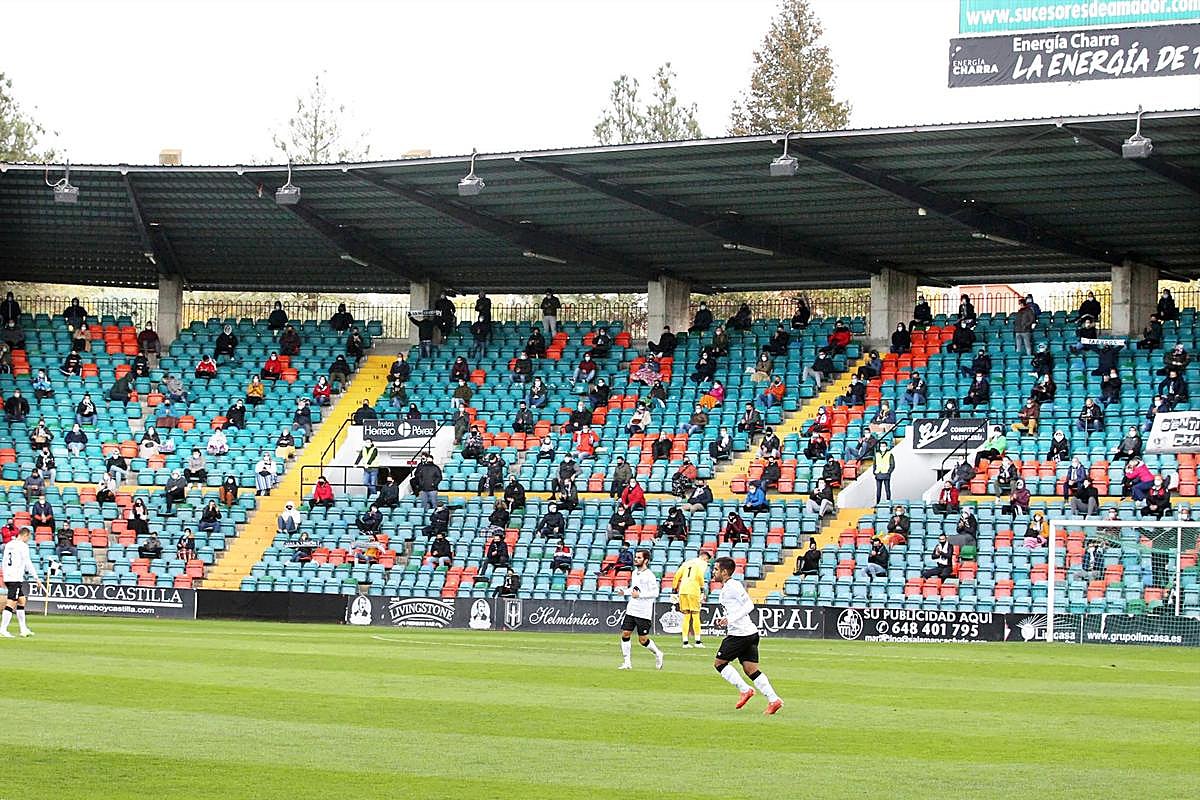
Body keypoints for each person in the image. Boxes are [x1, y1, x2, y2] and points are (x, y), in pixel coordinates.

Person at [710, 556, 783, 713]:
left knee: (719, 663)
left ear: (724, 572)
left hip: (740, 634)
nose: (713, 572)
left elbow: (749, 605)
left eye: (716, 569)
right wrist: (726, 619)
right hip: (749, 633)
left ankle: (745, 690)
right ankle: (774, 700)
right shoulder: (727, 587)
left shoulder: (733, 586)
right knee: (751, 670)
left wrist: (729, 619)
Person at [613, 549, 664, 670]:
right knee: (625, 634)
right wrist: (624, 592)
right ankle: (627, 662)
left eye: (639, 557)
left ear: (646, 560)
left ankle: (658, 653)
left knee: (643, 640)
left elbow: (655, 593)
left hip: (643, 612)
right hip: (632, 609)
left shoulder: (649, 575)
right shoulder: (635, 572)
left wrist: (640, 595)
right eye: (636, 557)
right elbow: (634, 588)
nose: (636, 559)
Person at [2, 528, 41, 637]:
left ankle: (23, 629)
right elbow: (28, 563)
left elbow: (4, 561)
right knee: (11, 602)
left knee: (21, 600)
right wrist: (36, 578)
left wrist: (5, 576)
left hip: (8, 576)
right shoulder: (23, 546)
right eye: (28, 537)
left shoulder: (9, 544)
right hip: (15, 577)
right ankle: (3, 629)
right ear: (25, 535)